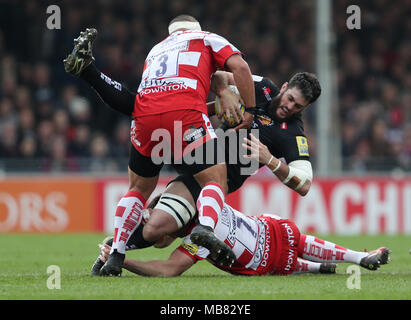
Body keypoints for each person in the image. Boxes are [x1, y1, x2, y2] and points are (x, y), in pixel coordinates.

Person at [64, 15, 257, 276]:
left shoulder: (155, 51)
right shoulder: (205, 38)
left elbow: (163, 97)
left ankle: (117, 253)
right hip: (185, 114)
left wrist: (216, 101)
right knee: (215, 179)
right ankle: (205, 228)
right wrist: (250, 111)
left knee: (138, 188)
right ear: (195, 28)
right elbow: (241, 68)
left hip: (144, 116)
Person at [89, 69, 322, 275]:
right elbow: (218, 76)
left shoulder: (293, 133)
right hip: (198, 154)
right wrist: (225, 93)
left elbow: (304, 185)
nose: (289, 107)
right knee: (158, 134)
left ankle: (118, 249)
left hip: (219, 180)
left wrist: (269, 160)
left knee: (156, 233)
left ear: (306, 108)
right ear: (284, 88)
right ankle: (155, 227)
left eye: (298, 106)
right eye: (290, 98)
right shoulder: (263, 87)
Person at [96, 193, 391, 277]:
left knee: (285, 258)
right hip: (269, 229)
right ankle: (354, 257)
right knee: (297, 245)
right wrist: (121, 248)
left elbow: (168, 269)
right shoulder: (204, 203)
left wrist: (123, 261)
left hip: (263, 262)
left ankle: (337, 262)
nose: (151, 234)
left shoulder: (196, 242)